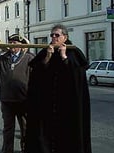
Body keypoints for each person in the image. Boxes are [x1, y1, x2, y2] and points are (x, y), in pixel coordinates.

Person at [26, 24, 91, 153]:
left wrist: (64, 57)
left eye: (57, 35)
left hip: (67, 103)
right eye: (52, 35)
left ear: (65, 37)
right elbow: (36, 73)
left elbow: (77, 75)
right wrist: (48, 58)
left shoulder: (73, 52)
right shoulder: (45, 51)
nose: (54, 37)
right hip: (48, 103)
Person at [0, 34, 35, 153]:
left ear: (21, 45)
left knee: (25, 127)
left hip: (23, 99)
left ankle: (26, 148)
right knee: (8, 128)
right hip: (7, 99)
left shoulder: (29, 58)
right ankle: (7, 150)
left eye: (15, 43)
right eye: (10, 43)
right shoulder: (3, 58)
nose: (12, 45)